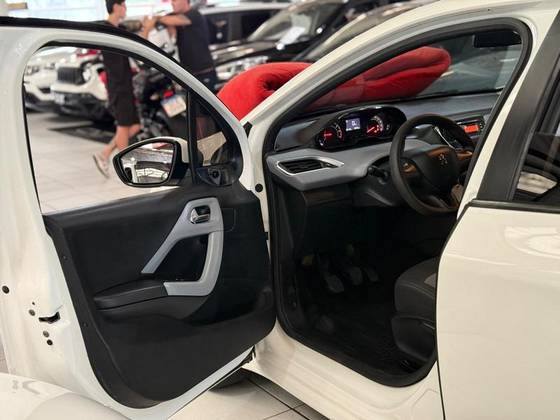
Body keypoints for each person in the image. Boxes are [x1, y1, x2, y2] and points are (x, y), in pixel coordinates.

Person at [93, 0, 141, 178]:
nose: (126, 9)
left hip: (125, 85)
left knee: (134, 125)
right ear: (116, 7)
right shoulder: (106, 29)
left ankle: (104, 154)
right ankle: (126, 168)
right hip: (118, 87)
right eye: (124, 5)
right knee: (124, 126)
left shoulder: (118, 28)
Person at [143, 0, 217, 91]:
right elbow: (169, 26)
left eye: (175, 0)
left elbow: (174, 20)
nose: (172, 3)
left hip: (203, 73)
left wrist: (154, 19)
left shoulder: (194, 14)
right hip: (188, 75)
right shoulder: (174, 18)